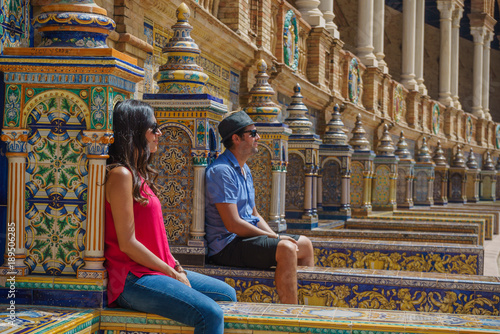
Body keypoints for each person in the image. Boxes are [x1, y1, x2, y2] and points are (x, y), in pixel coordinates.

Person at [104, 99, 236, 334]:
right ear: (135, 130)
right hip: (132, 277)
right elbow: (128, 243)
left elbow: (157, 239)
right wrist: (172, 273)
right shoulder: (121, 174)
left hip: (155, 270)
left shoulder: (138, 175)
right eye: (153, 127)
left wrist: (177, 267)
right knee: (211, 313)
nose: (159, 133)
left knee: (226, 294)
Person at [205, 110, 314, 304]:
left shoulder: (244, 168)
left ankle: (305, 304)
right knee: (287, 249)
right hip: (227, 245)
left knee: (305, 244)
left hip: (244, 239)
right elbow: (233, 224)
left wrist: (274, 235)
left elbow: (254, 213)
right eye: (253, 133)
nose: (258, 138)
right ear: (236, 138)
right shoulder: (222, 171)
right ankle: (290, 314)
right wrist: (275, 238)